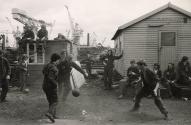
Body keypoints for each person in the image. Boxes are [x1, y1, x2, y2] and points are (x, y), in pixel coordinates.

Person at [42, 53, 61, 123]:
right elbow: (51, 77)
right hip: (51, 86)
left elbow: (43, 71)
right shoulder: (54, 67)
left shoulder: (47, 65)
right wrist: (55, 84)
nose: (59, 62)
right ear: (56, 60)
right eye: (58, 60)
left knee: (51, 101)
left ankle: (53, 115)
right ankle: (49, 113)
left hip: (45, 86)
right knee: (55, 101)